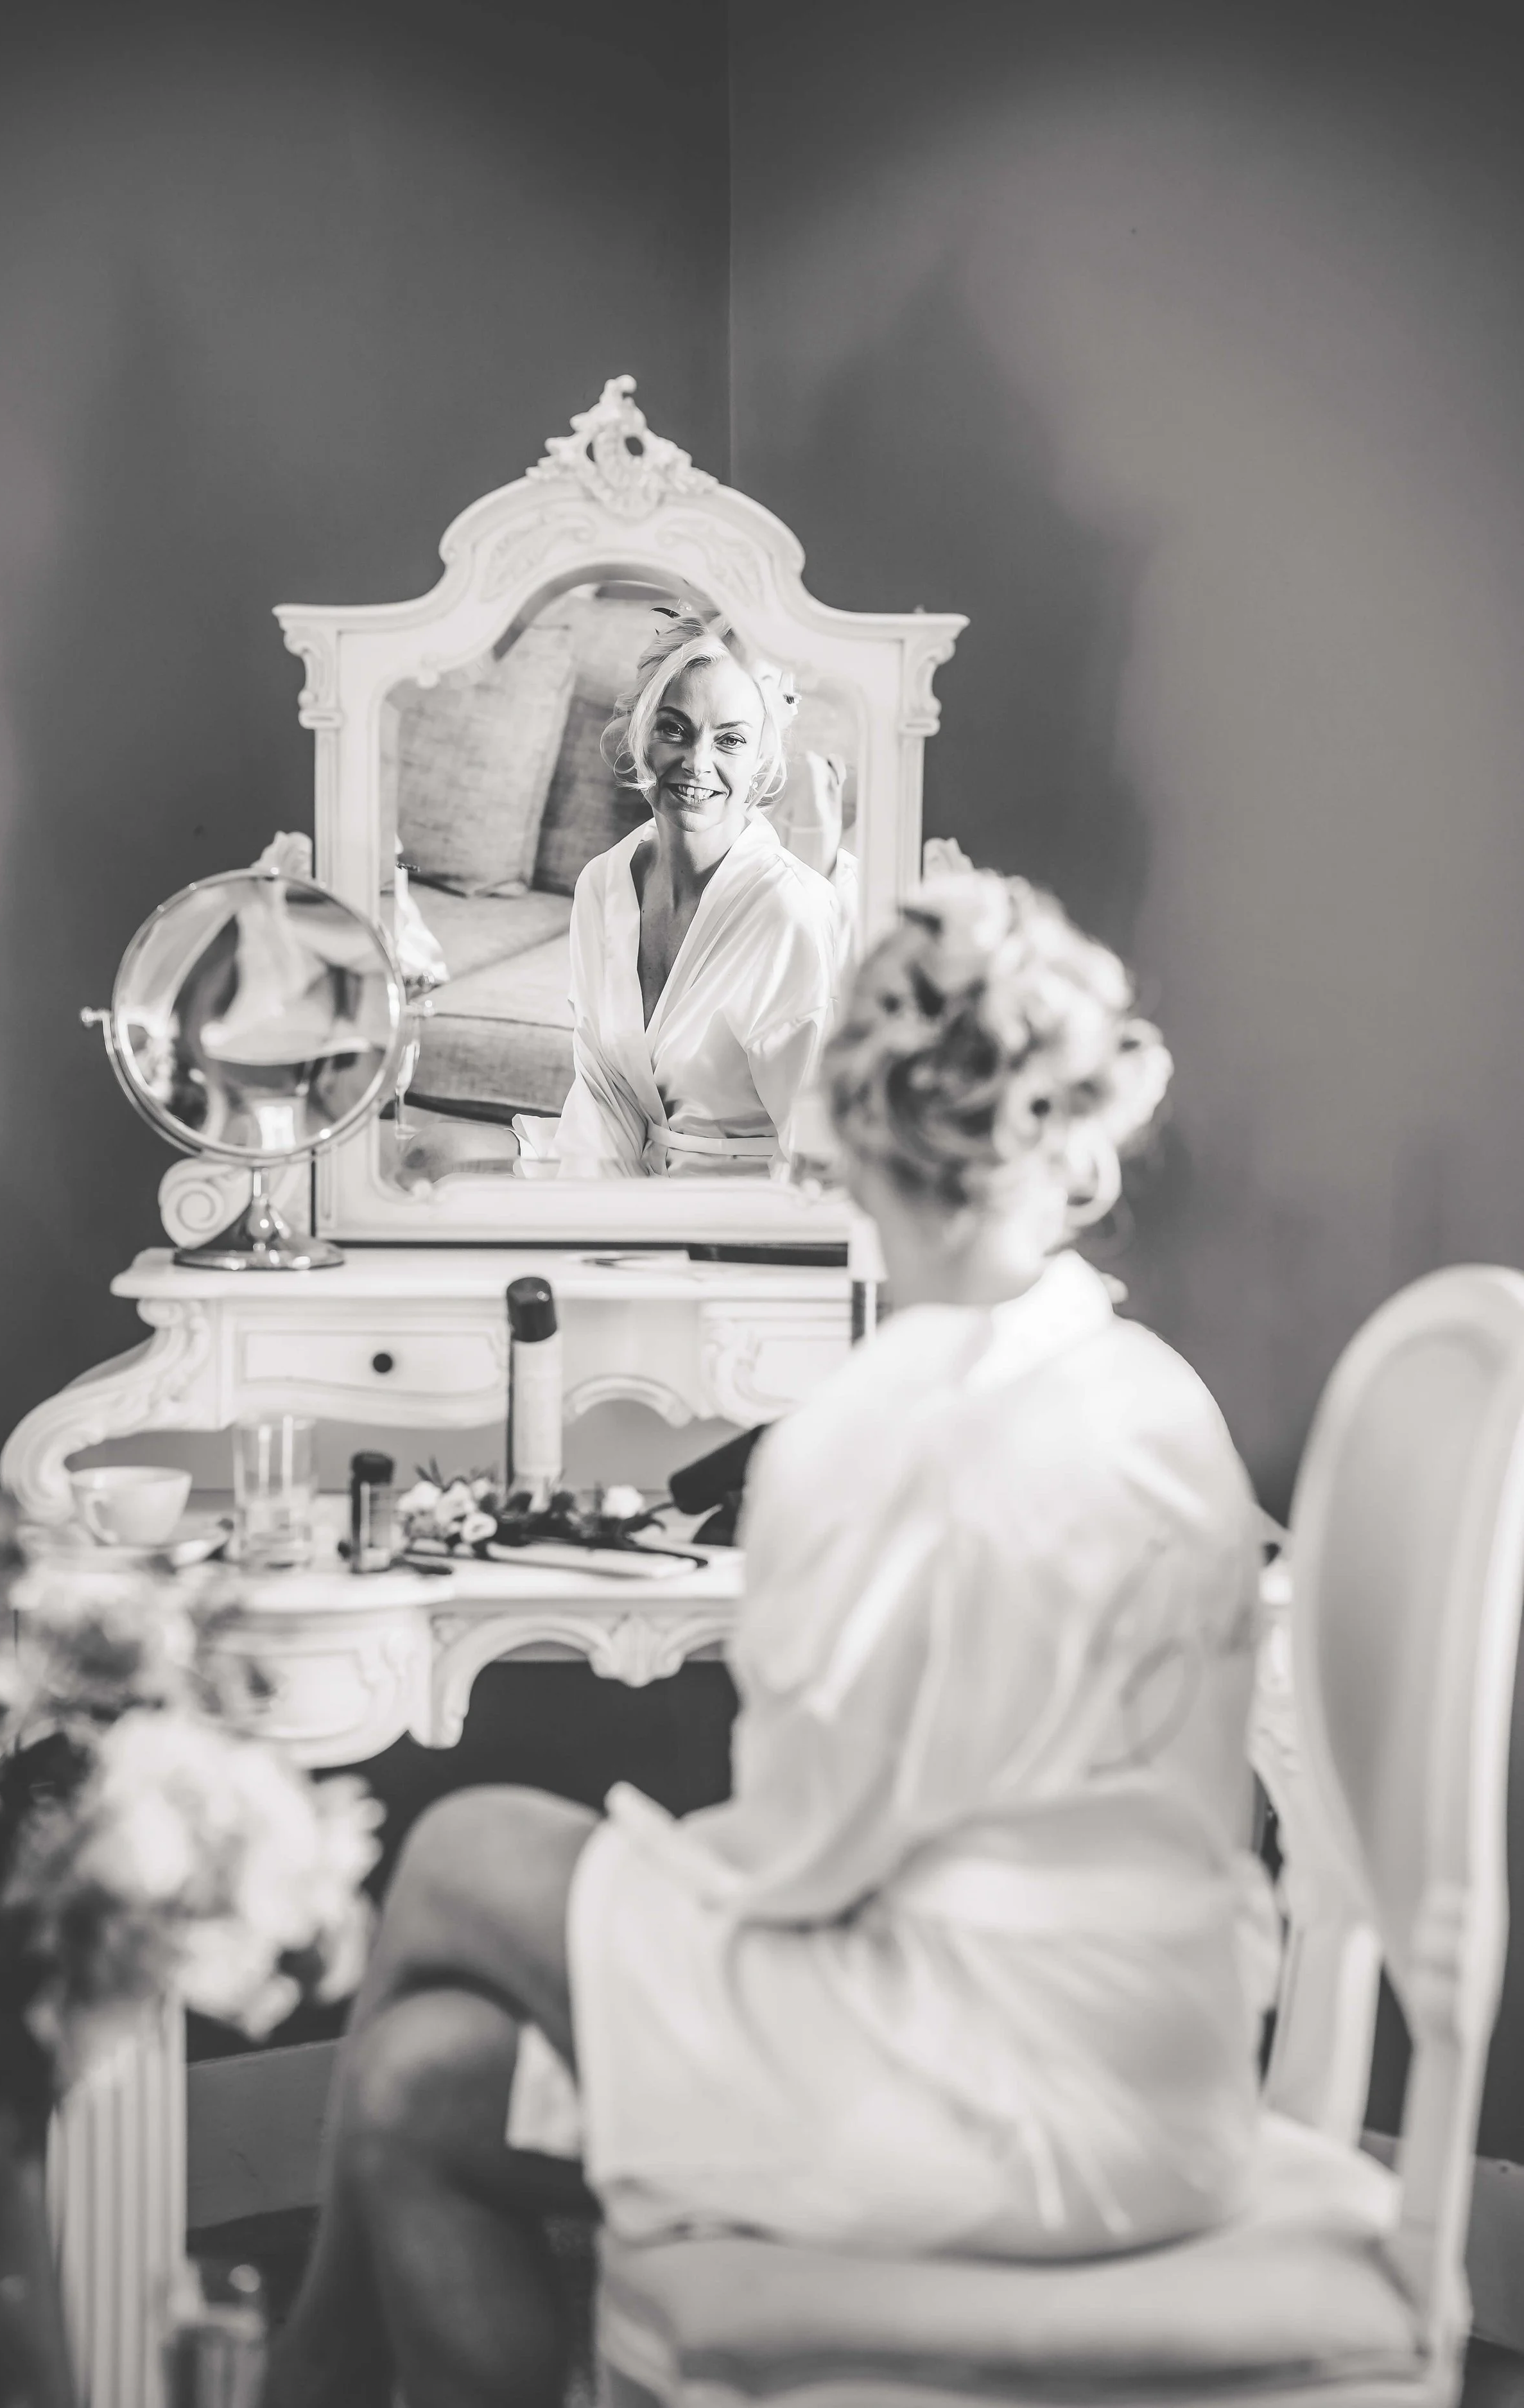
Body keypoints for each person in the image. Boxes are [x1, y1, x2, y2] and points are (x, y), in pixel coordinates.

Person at [265, 863, 1279, 2408]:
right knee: (414, 2093)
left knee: (468, 1847)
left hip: (974, 2097)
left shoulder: (871, 1433)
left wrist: (640, 1882)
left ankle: (296, 2384)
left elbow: (809, 1862)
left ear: (852, 1133)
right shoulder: (1159, 1392)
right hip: (1165, 2093)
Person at [532, 609, 844, 1177]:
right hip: (627, 1196)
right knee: (439, 1162)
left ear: (760, 761)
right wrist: (585, 1233)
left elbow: (817, 1152)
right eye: (675, 728)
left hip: (748, 1220)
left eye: (730, 740)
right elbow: (604, 1098)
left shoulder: (787, 913)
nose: (698, 763)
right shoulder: (603, 883)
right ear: (641, 733)